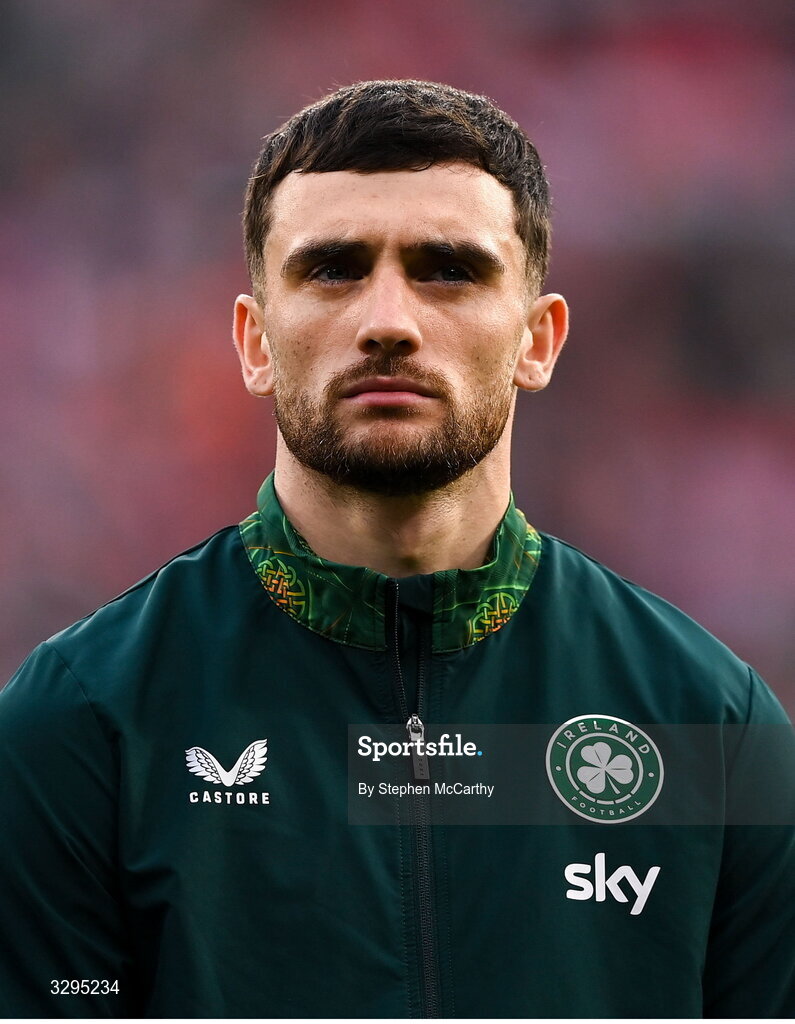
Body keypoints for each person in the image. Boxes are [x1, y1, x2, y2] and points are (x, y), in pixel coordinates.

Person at [0, 79, 792, 1019]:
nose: (389, 321)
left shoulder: (708, 725)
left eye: (447, 268)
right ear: (254, 343)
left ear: (538, 340)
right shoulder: (85, 722)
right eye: (332, 268)